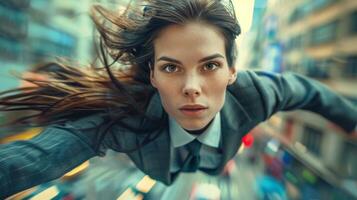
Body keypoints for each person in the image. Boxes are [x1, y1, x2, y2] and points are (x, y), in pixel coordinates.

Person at [0, 0, 356, 198]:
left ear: (232, 70)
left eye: (210, 66)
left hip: (213, 159)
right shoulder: (127, 114)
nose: (191, 87)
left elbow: (310, 92)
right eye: (171, 68)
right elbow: (38, 156)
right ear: (152, 75)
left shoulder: (258, 93)